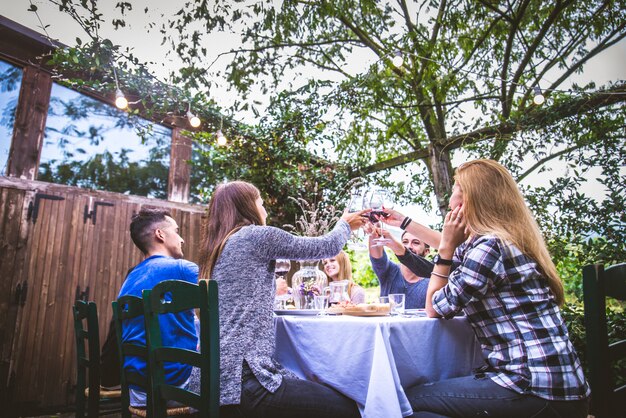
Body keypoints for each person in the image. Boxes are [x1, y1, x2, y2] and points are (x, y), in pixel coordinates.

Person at [385, 160, 590, 417]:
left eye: (454, 190)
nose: (449, 201)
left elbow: (433, 307)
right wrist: (404, 222)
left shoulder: (489, 248)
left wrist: (446, 249)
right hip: (557, 386)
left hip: (532, 388)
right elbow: (450, 247)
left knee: (406, 399)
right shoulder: (505, 239)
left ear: (468, 200)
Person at [196, 180, 366, 418]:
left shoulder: (215, 251)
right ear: (248, 208)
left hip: (211, 381)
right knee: (351, 408)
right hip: (244, 381)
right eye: (261, 203)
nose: (264, 210)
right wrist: (345, 224)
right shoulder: (255, 236)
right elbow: (325, 247)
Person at [117, 208, 199, 407]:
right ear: (160, 234)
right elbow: (228, 293)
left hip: (137, 389)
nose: (182, 239)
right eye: (177, 231)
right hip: (174, 385)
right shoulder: (181, 268)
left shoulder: (131, 277)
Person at [366, 225, 433, 309]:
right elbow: (377, 257)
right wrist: (373, 233)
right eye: (405, 242)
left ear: (426, 251)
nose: (409, 246)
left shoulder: (432, 280)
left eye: (415, 243)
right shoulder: (389, 270)